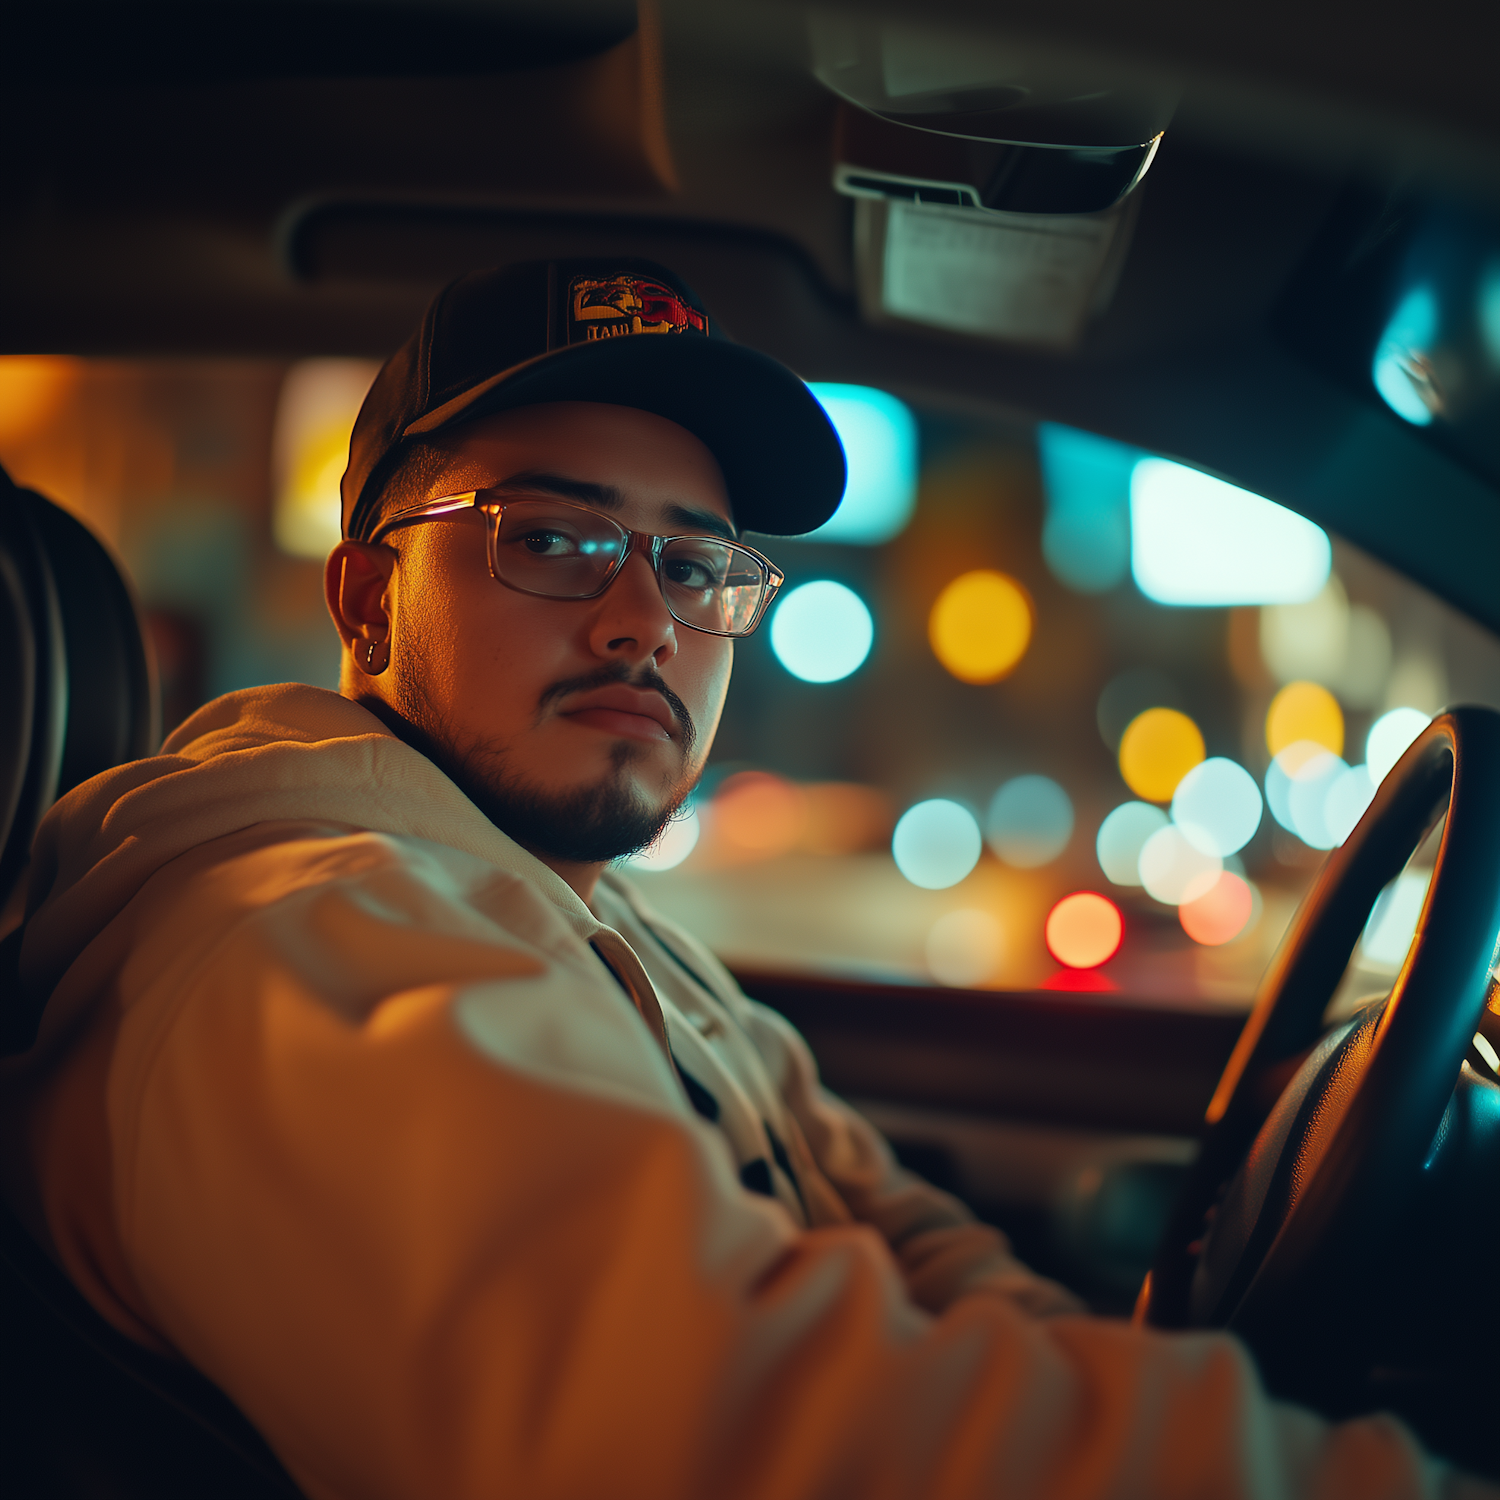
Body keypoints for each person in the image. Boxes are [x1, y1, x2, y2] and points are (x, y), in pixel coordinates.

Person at [2, 259, 1489, 1499]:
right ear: (369, 596)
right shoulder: (301, 942)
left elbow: (892, 1230)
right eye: (559, 538)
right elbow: (748, 1429)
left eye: (698, 566)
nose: (647, 619)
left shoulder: (590, 912)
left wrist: (1141, 1374)